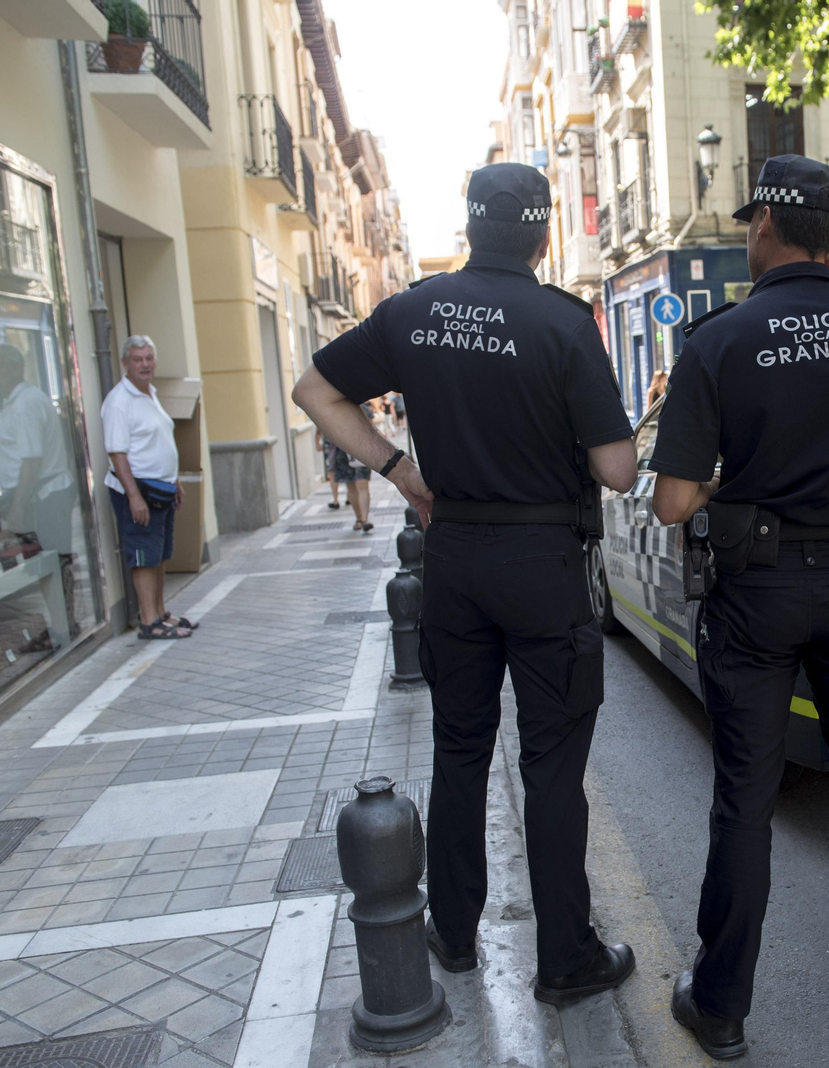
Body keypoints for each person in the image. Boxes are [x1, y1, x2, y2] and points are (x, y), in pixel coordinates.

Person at [292, 161, 640, 1006]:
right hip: (542, 565)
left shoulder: (413, 310)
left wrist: (401, 470)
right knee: (552, 766)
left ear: (470, 228)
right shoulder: (563, 322)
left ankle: (452, 936)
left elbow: (314, 390)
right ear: (544, 233)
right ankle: (564, 959)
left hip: (453, 566)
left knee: (459, 750)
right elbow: (620, 470)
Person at [648, 154, 829, 1059]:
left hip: (759, 594)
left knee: (745, 799)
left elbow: (672, 503)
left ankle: (722, 1005)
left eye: (748, 221)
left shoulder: (718, 342)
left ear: (765, 225)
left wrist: (735, 480)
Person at [102, 336, 194, 640]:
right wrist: (134, 497)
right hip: (139, 493)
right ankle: (149, 621)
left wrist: (175, 480)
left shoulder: (149, 393)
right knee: (143, 555)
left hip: (161, 491)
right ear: (125, 363)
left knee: (158, 554)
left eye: (149, 358)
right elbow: (117, 454)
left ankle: (161, 612)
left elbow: (158, 442)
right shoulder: (119, 401)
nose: (145, 364)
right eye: (138, 359)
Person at [0, 343, 76, 557]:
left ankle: (63, 591)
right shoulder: (17, 401)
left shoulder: (25, 404)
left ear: (16, 369)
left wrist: (18, 507)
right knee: (45, 562)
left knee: (52, 560)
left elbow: (31, 461)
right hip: (39, 496)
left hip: (43, 497)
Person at [330, 403, 376, 532]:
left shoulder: (363, 408)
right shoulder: (333, 408)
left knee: (362, 484)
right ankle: (359, 518)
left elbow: (372, 429)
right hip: (343, 452)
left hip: (362, 450)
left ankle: (365, 519)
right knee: (351, 486)